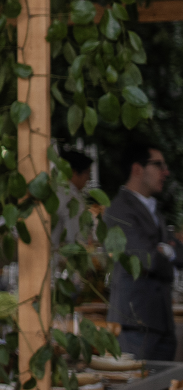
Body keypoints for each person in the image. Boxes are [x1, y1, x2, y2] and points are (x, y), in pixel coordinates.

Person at [103, 141, 183, 360]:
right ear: (137, 169)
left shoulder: (154, 210)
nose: (166, 172)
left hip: (161, 322)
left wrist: (166, 250)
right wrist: (169, 251)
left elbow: (178, 255)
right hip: (135, 324)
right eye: (158, 165)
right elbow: (147, 260)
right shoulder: (119, 209)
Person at [52, 148, 94, 250]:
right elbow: (77, 239)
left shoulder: (52, 189)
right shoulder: (72, 198)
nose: (88, 179)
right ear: (74, 172)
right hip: (55, 259)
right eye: (87, 173)